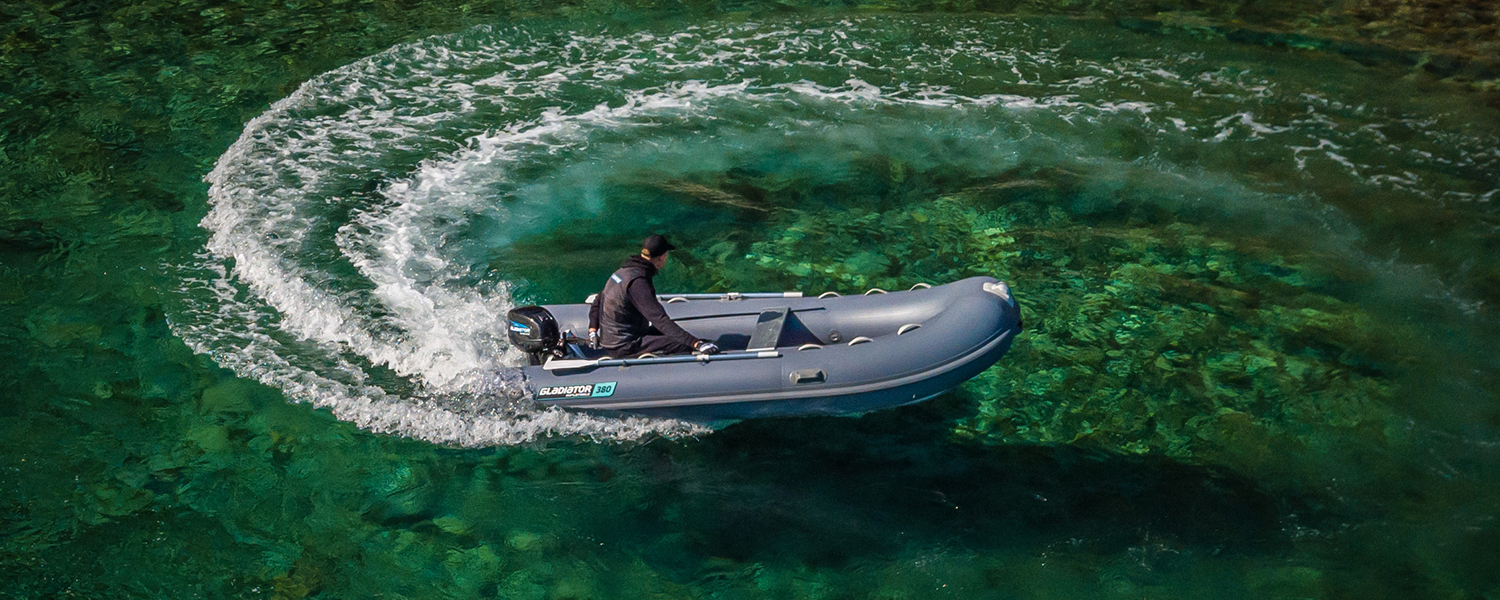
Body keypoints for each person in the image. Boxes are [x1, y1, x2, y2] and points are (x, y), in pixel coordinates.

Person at [587, 234, 720, 358]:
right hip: (625, 345)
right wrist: (697, 344)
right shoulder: (638, 282)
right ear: (662, 256)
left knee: (676, 336)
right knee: (687, 345)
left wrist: (593, 329)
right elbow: (659, 319)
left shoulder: (623, 272)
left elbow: (599, 300)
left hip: (615, 338)